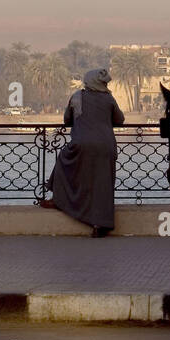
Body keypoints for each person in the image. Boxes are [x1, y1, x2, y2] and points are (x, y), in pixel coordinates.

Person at [44, 68, 125, 237]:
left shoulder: (77, 97)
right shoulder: (109, 98)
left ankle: (59, 199)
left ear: (88, 81)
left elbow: (67, 120)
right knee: (102, 184)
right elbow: (119, 120)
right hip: (105, 146)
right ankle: (100, 225)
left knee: (64, 163)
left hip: (81, 144)